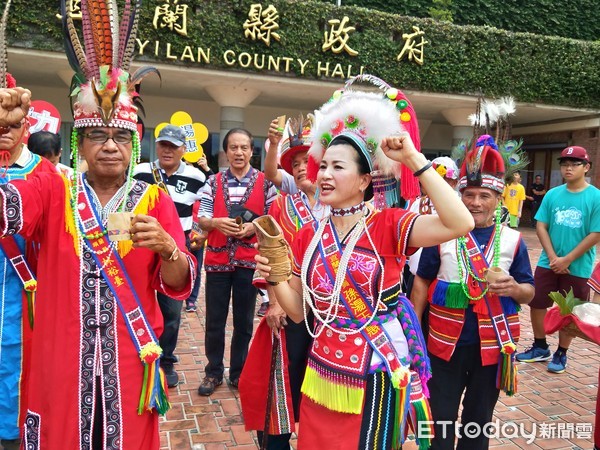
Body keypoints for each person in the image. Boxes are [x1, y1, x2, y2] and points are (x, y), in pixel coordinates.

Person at [2, 2, 197, 448]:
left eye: (121, 137)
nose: (110, 146)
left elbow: (177, 281)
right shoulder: (52, 188)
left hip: (130, 358)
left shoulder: (155, 199)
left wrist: (169, 248)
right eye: (97, 135)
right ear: (79, 142)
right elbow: (8, 209)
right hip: (61, 355)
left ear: (134, 145)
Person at [255, 75, 474, 449]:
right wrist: (274, 277)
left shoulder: (389, 224)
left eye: (337, 167)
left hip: (376, 370)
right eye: (322, 166)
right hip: (322, 368)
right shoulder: (310, 233)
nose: (323, 175)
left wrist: (413, 159)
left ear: (363, 180)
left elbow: (460, 222)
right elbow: (296, 313)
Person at [412, 134, 535, 450]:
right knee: (440, 416)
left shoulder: (512, 241)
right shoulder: (441, 233)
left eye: (484, 195)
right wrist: (412, 334)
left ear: (498, 198)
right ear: (458, 195)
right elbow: (422, 282)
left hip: (493, 349)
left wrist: (515, 288)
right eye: (468, 194)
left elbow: (529, 293)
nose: (475, 202)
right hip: (443, 347)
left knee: (478, 421)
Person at [239, 115, 324, 450]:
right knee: (281, 385)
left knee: (322, 390)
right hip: (289, 309)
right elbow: (267, 256)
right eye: (297, 163)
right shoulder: (281, 205)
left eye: (309, 161)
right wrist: (274, 302)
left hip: (329, 314)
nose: (302, 168)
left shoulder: (337, 207)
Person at [197, 128, 278, 396]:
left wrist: (254, 226)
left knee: (244, 321)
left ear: (251, 151)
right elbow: (203, 218)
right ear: (226, 151)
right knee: (214, 321)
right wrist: (216, 222)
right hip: (218, 259)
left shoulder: (266, 183)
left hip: (248, 261)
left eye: (244, 147)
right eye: (234, 147)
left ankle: (239, 371)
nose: (239, 153)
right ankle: (213, 371)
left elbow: (272, 217)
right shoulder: (213, 182)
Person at [0, 75, 57, 450]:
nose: (4, 132)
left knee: (16, 375)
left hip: (24, 297)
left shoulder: (47, 175)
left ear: (26, 126)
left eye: (12, 125)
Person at [133, 124, 211, 387]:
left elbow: (207, 207)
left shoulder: (196, 176)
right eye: (163, 145)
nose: (167, 151)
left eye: (173, 146)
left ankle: (165, 359)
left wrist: (200, 233)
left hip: (176, 251)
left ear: (183, 149)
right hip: (141, 251)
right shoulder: (139, 172)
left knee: (171, 312)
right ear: (157, 146)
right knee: (138, 304)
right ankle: (141, 354)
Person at [516, 145, 600, 373]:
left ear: (586, 167)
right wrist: (554, 257)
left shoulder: (595, 197)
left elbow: (596, 233)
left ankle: (562, 352)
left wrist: (568, 259)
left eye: (575, 164)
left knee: (570, 310)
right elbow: (541, 225)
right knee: (537, 302)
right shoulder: (553, 194)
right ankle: (540, 345)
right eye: (564, 164)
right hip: (548, 262)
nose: (568, 168)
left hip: (578, 265)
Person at [405, 156, 459, 295]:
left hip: (447, 283)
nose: (438, 184)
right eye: (434, 179)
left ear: (454, 183)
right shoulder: (418, 204)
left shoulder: (461, 207)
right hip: (416, 276)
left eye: (444, 180)